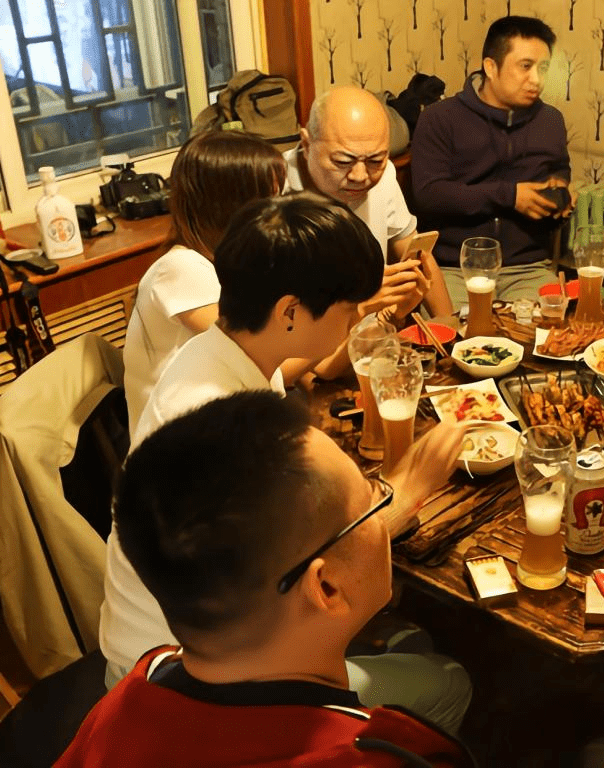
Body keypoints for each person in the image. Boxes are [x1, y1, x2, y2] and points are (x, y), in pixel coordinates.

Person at [100, 194, 472, 733]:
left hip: (207, 635)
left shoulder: (221, 352)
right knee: (450, 681)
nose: (356, 317)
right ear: (291, 312)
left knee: (413, 639)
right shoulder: (217, 419)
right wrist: (409, 489)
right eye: (349, 307)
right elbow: (319, 570)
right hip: (192, 681)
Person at [59, 392, 475, 767]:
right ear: (326, 588)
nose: (384, 508)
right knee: (449, 678)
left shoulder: (129, 695)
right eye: (373, 499)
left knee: (429, 662)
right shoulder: (378, 756)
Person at [122, 129, 285, 434]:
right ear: (230, 205)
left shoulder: (233, 264)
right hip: (179, 448)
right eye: (268, 199)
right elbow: (259, 359)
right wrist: (351, 311)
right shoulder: (182, 269)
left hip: (223, 424)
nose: (279, 211)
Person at [411, 15, 571, 307]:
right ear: (491, 67)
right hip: (454, 268)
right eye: (525, 66)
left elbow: (559, 170)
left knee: (549, 330)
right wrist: (510, 196)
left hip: (527, 267)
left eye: (543, 68)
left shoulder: (550, 120)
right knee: (461, 333)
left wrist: (560, 192)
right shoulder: (439, 118)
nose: (536, 80)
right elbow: (429, 194)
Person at [287, 86, 453, 319]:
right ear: (306, 145)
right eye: (343, 161)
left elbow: (417, 254)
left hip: (374, 333)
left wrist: (450, 327)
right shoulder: (274, 187)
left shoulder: (384, 177)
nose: (360, 176)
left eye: (375, 161)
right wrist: (360, 309)